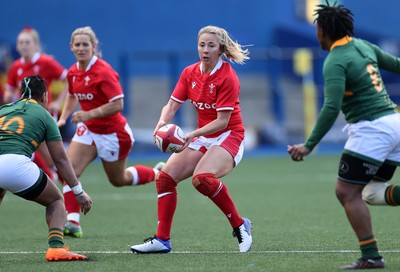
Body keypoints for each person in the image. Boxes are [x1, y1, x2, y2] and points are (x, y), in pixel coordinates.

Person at [288, 2, 400, 270]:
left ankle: (371, 256)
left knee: (346, 192)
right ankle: (371, 255)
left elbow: (330, 107)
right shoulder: (363, 46)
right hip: (395, 123)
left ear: (324, 31)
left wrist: (309, 145)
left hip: (372, 130)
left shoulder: (336, 60)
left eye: (317, 29)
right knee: (371, 193)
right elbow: (397, 64)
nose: (316, 35)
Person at [130, 25, 252, 254]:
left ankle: (240, 225)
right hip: (203, 136)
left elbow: (222, 122)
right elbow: (173, 104)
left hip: (229, 136)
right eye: (201, 44)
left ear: (221, 49)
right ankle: (162, 240)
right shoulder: (190, 73)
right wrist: (161, 123)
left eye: (211, 45)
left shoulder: (228, 77)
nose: (205, 50)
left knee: (203, 179)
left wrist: (191, 135)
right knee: (165, 178)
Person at [57, 26, 163, 238]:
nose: (81, 48)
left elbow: (118, 104)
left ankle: (157, 173)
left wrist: (88, 114)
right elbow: (71, 95)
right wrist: (62, 117)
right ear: (71, 47)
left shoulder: (103, 71)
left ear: (94, 46)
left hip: (112, 133)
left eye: (85, 44)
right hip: (88, 130)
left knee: (118, 179)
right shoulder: (73, 72)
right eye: (77, 45)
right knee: (68, 172)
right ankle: (73, 222)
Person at [0, 75, 93, 261]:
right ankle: (56, 248)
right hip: (16, 164)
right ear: (44, 96)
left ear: (20, 94)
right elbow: (60, 158)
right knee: (56, 201)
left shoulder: (3, 109)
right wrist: (78, 191)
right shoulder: (44, 114)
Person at [4, 27, 70, 182]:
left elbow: (68, 79)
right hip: (25, 116)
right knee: (35, 151)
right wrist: (9, 97)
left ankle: (59, 177)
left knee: (51, 156)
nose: (24, 45)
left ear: (35, 45)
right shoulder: (16, 66)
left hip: (43, 114)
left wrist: (59, 102)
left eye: (27, 42)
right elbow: (9, 91)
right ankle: (56, 177)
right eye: (21, 42)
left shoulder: (45, 62)